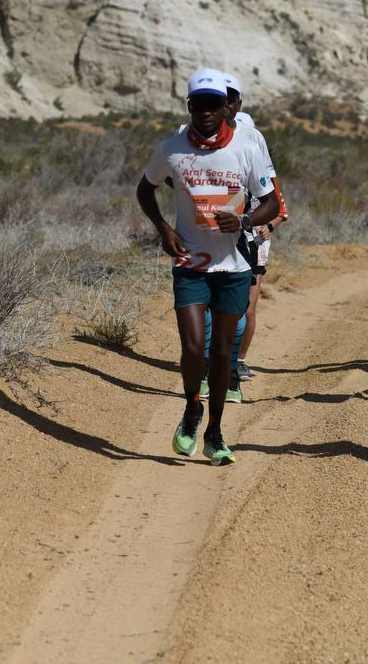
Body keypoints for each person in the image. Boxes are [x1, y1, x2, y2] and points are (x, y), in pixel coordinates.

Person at [137, 68, 279, 465]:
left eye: (213, 103)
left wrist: (247, 221)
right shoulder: (171, 148)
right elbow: (145, 188)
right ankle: (191, 408)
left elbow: (271, 202)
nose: (205, 111)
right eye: (198, 103)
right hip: (191, 263)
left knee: (221, 354)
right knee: (193, 348)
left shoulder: (247, 147)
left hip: (233, 265)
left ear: (225, 107)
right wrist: (163, 228)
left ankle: (215, 431)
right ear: (189, 106)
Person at [223, 72, 286, 386]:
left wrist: (266, 227)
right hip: (226, 241)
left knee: (247, 304)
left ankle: (238, 360)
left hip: (254, 243)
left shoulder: (264, 174)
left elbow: (280, 208)